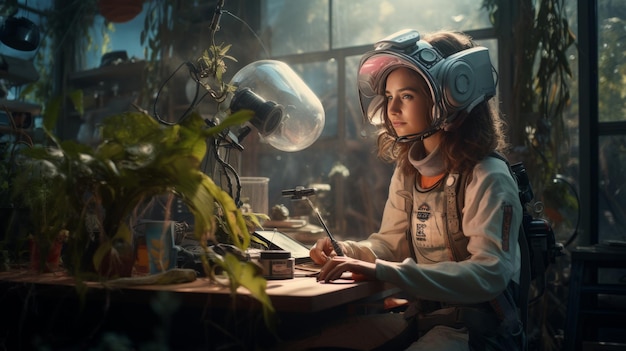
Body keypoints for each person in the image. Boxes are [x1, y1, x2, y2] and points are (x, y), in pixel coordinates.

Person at [279, 28, 524, 351]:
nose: (392, 110)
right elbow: (390, 244)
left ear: (452, 95)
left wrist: (379, 269)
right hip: (420, 318)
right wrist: (350, 253)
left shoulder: (487, 176)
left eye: (407, 96)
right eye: (390, 97)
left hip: (474, 332)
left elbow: (488, 275)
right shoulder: (409, 170)